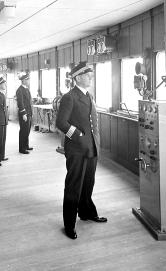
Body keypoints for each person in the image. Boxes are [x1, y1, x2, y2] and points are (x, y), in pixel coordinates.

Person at [56, 61, 107, 240]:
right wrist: (79, 136)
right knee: (74, 186)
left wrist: (93, 142)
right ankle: (69, 224)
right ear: (77, 77)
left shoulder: (88, 95)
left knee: (88, 183)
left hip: (92, 147)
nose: (90, 77)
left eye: (91, 74)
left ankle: (86, 212)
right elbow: (60, 123)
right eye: (87, 75)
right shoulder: (69, 97)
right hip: (77, 149)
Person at [16, 73, 33, 154]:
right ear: (23, 81)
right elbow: (20, 103)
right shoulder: (19, 90)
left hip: (29, 113)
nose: (29, 81)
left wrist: (30, 113)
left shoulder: (26, 89)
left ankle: (26, 145)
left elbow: (29, 102)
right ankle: (22, 148)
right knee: (23, 131)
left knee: (27, 130)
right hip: (24, 114)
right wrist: (24, 114)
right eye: (27, 80)